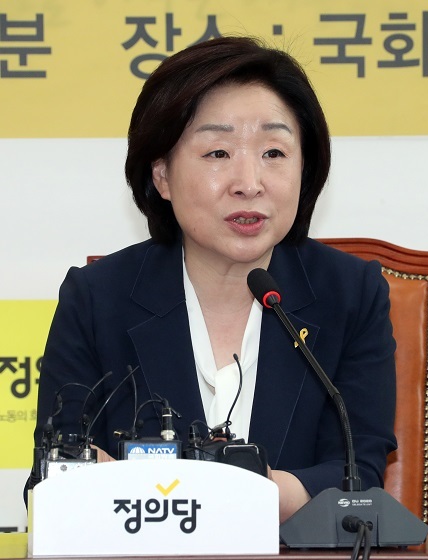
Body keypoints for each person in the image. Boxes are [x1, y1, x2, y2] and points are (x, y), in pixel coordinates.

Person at [30, 36, 396, 523]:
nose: (249, 181)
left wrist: (221, 489)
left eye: (274, 152)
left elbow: (357, 475)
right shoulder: (98, 299)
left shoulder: (351, 294)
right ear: (161, 175)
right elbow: (53, 478)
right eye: (218, 152)